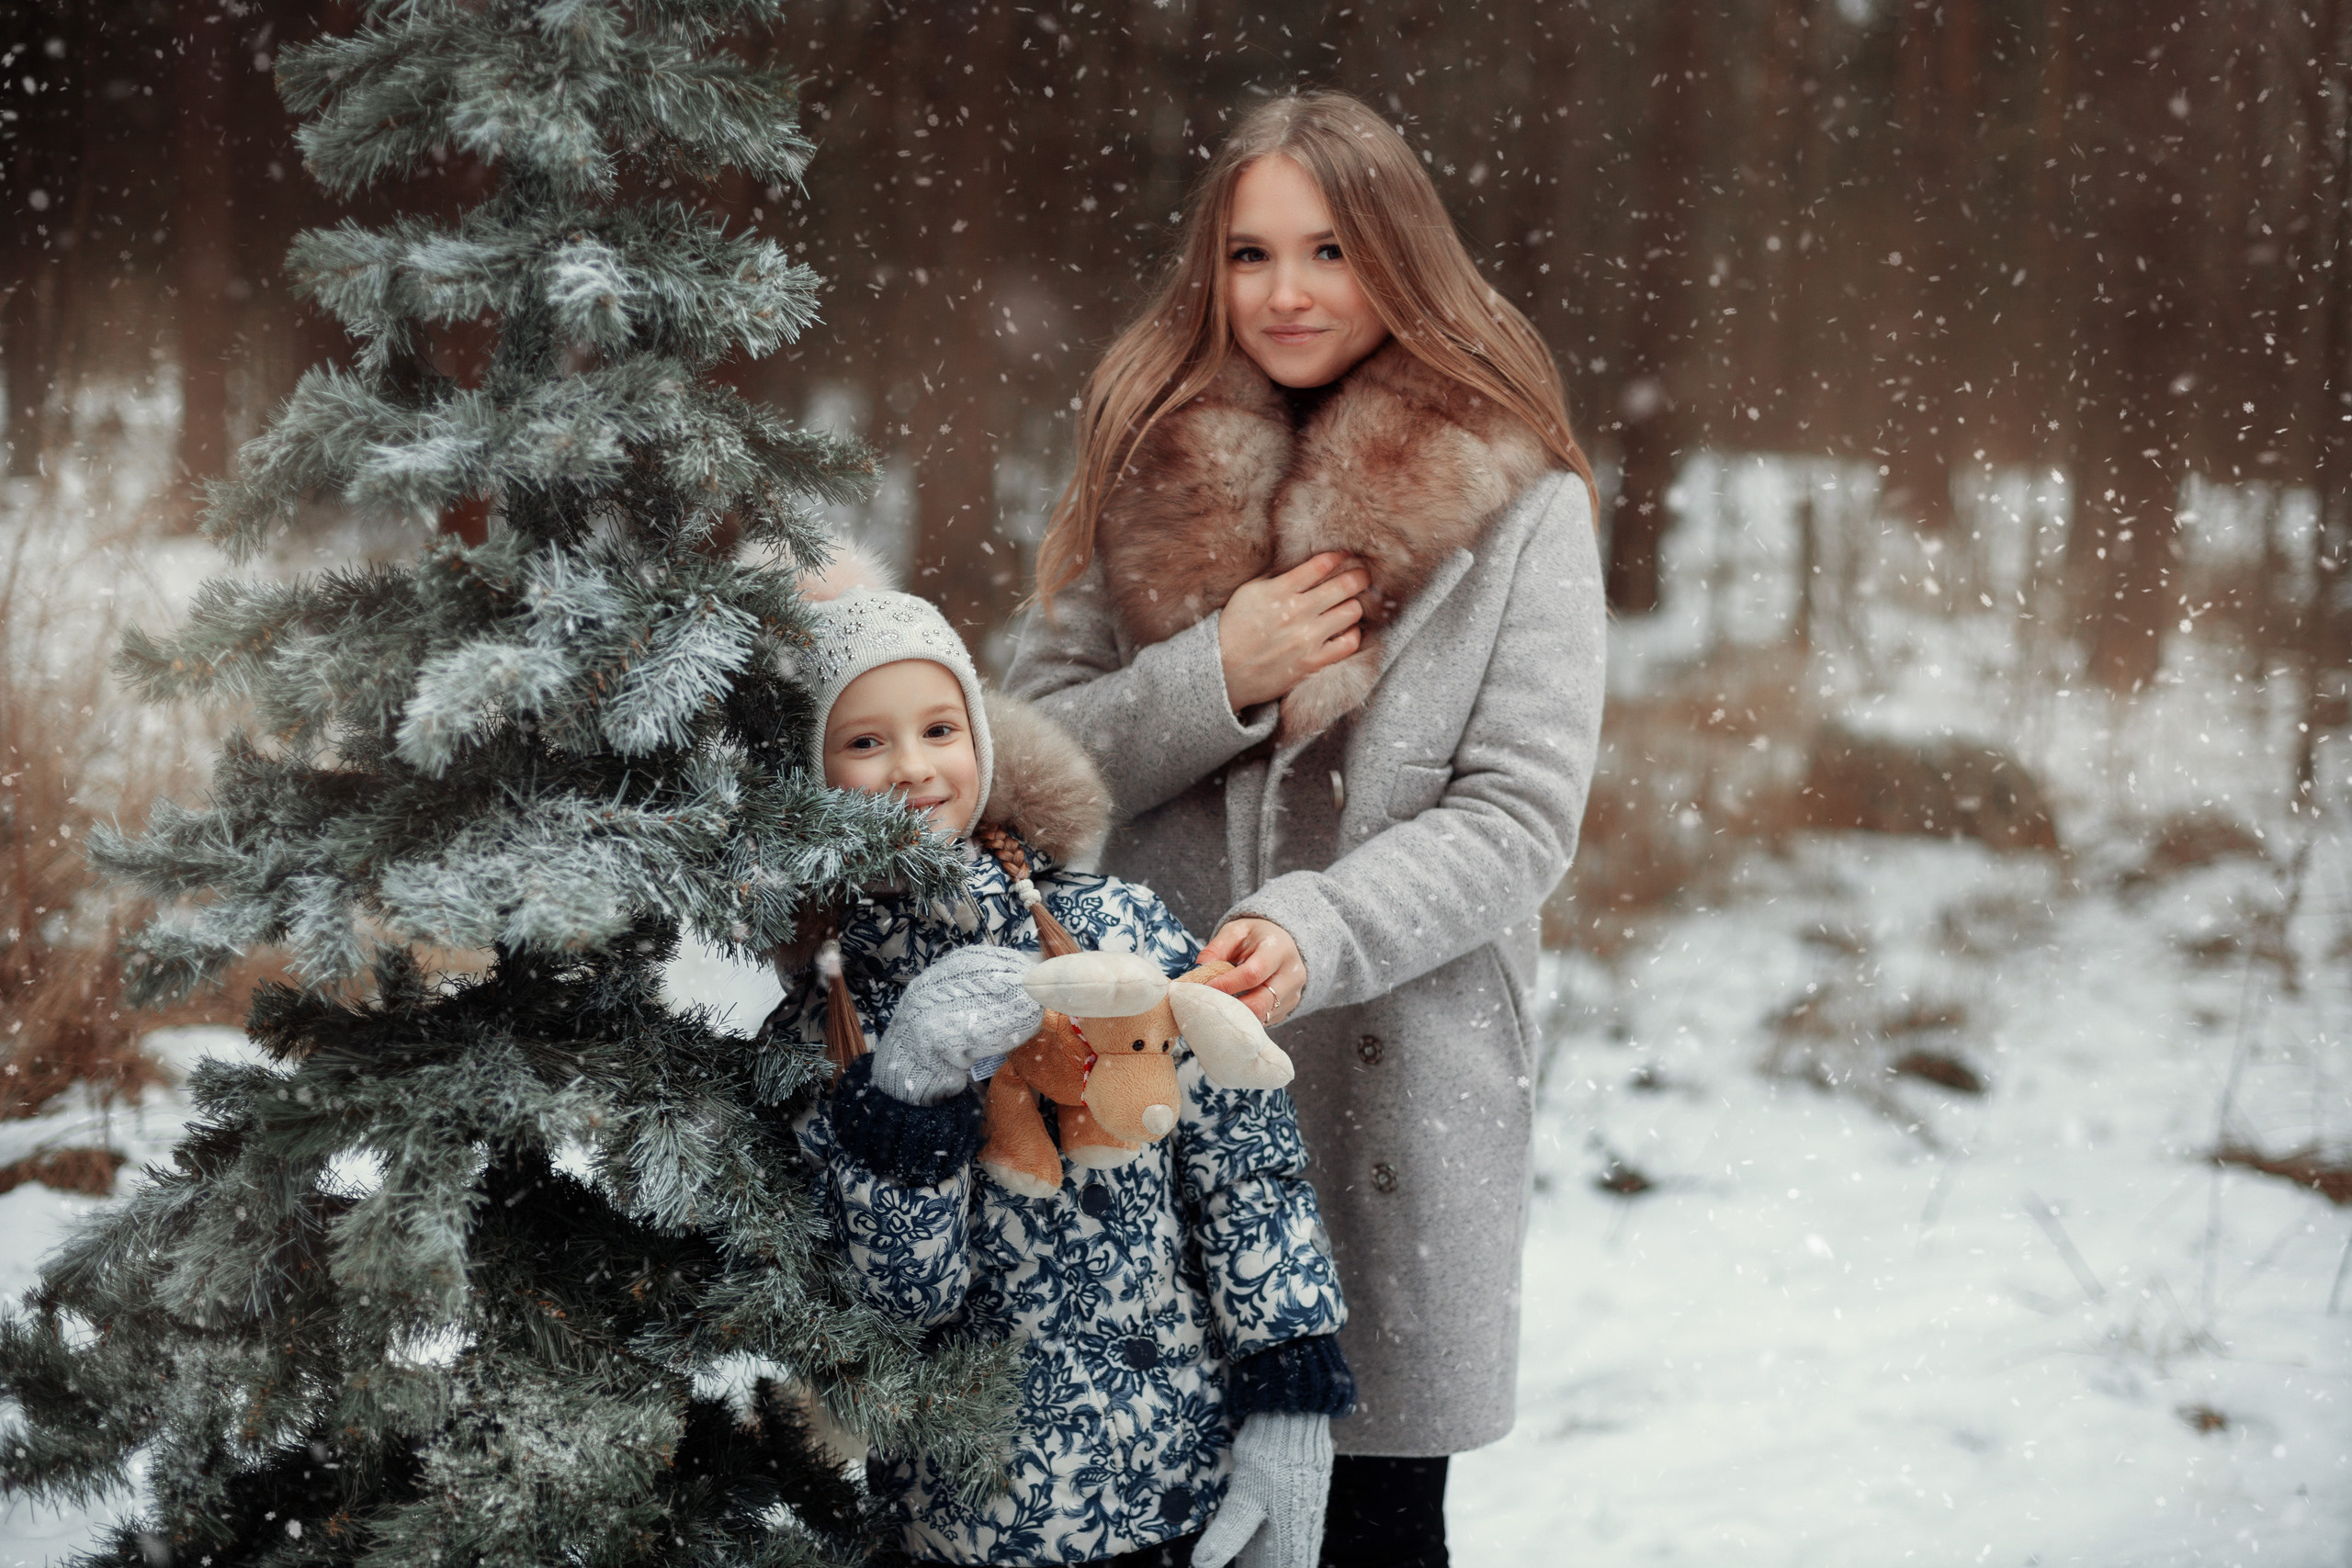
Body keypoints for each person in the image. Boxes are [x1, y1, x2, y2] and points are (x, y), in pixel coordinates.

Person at [1005, 91, 1606, 1567]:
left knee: (1372, 1526)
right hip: (1144, 1103)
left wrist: (1315, 925)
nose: (1285, 292)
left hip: (1389, 1095)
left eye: (1329, 249)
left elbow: (1519, 812)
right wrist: (1221, 673)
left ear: (1398, 258)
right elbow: (1020, 770)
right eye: (1250, 253)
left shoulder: (1525, 507)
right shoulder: (1148, 457)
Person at [768, 549, 1354, 1567]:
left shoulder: (1118, 927)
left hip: (1176, 1487)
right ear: (810, 780)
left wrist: (1289, 1391)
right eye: (865, 741)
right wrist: (905, 1096)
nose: (913, 766)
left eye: (940, 729)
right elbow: (900, 1306)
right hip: (961, 1523)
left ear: (984, 746)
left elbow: (1242, 1162)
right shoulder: (824, 1030)